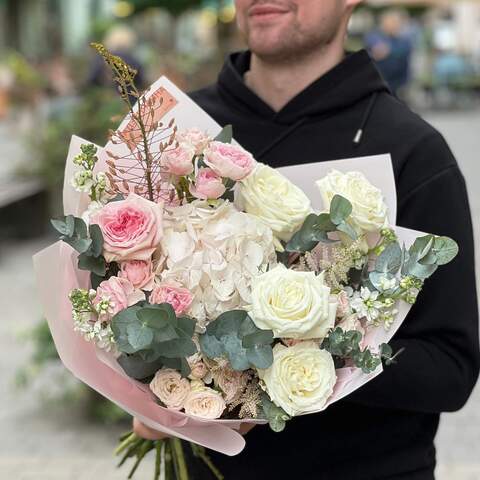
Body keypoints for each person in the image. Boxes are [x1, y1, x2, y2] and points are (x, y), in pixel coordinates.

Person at [135, 1, 480, 479]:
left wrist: (281, 359)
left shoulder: (412, 152)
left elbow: (449, 369)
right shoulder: (169, 131)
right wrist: (145, 385)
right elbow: (115, 293)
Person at [365, 9, 413, 96]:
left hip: (398, 81)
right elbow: (371, 50)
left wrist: (388, 50)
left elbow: (404, 50)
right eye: (390, 22)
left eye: (395, 23)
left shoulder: (404, 39)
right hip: (379, 79)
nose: (393, 25)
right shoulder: (374, 35)